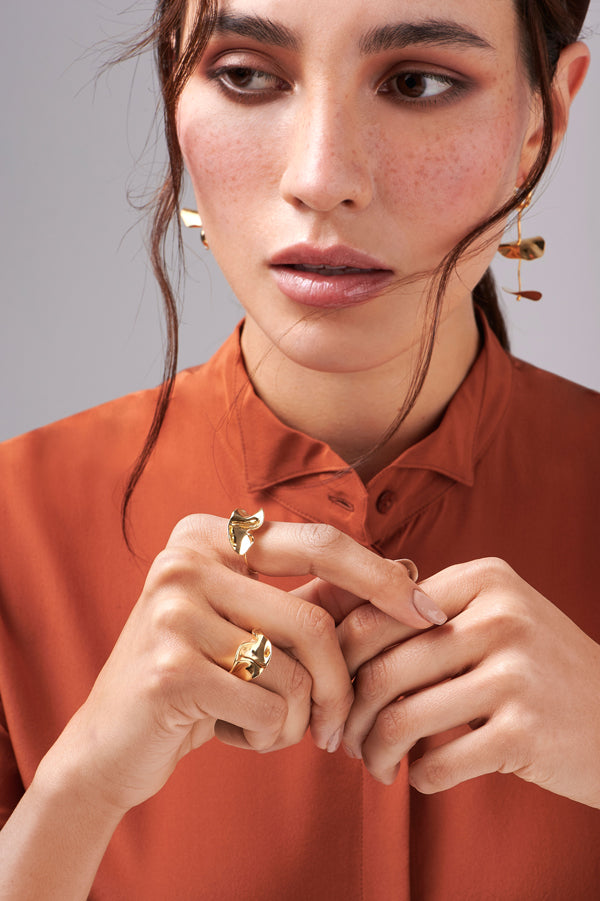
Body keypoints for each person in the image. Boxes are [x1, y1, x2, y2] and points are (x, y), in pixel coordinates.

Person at [0, 0, 598, 898]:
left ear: (542, 123)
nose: (322, 178)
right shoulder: (14, 528)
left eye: (416, 82)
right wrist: (80, 786)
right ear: (174, 85)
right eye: (246, 75)